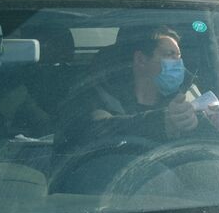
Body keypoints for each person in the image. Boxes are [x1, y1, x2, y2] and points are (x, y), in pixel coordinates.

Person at [61, 25, 201, 149]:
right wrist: (161, 122)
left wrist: (213, 121)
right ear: (141, 59)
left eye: (179, 56)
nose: (179, 64)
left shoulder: (187, 97)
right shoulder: (99, 98)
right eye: (169, 55)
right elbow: (101, 130)